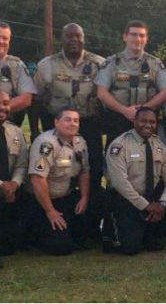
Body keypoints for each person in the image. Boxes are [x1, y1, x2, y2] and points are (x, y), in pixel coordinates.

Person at [33, 23, 105, 239]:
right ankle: (50, 219)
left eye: (79, 36)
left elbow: (106, 97)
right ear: (61, 38)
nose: (74, 39)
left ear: (84, 38)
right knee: (55, 173)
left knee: (92, 172)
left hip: (89, 126)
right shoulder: (47, 65)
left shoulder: (99, 64)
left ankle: (89, 226)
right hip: (55, 124)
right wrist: (35, 127)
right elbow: (35, 99)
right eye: (69, 36)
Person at [102, 107, 166, 255]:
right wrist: (145, 205)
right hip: (126, 201)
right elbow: (120, 183)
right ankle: (112, 233)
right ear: (134, 121)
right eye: (143, 121)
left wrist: (162, 204)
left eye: (152, 122)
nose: (148, 125)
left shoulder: (159, 145)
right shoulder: (119, 145)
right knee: (129, 249)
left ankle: (149, 235)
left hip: (153, 201)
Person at [96, 20, 166, 149]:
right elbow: (101, 92)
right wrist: (125, 111)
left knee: (147, 162)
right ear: (125, 37)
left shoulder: (155, 64)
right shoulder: (112, 63)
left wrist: (142, 110)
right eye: (134, 34)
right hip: (118, 121)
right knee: (116, 159)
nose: (138, 39)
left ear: (146, 39)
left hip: (146, 122)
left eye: (142, 35)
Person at [25, 108, 89, 255]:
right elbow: (37, 179)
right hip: (43, 202)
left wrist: (84, 197)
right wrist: (50, 211)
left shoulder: (80, 141)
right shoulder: (46, 144)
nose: (72, 124)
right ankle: (34, 233)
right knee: (61, 248)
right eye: (67, 120)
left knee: (82, 238)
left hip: (66, 196)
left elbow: (84, 172)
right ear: (56, 122)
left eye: (76, 120)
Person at [0, 91, 28, 260]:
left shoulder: (15, 132)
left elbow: (22, 164)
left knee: (10, 248)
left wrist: (14, 184)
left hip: (9, 190)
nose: (3, 107)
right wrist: (2, 185)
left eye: (5, 103)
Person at [0, 22, 37, 126]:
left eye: (5, 38)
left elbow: (26, 98)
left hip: (8, 126)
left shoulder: (17, 66)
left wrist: (2, 109)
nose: (1, 41)